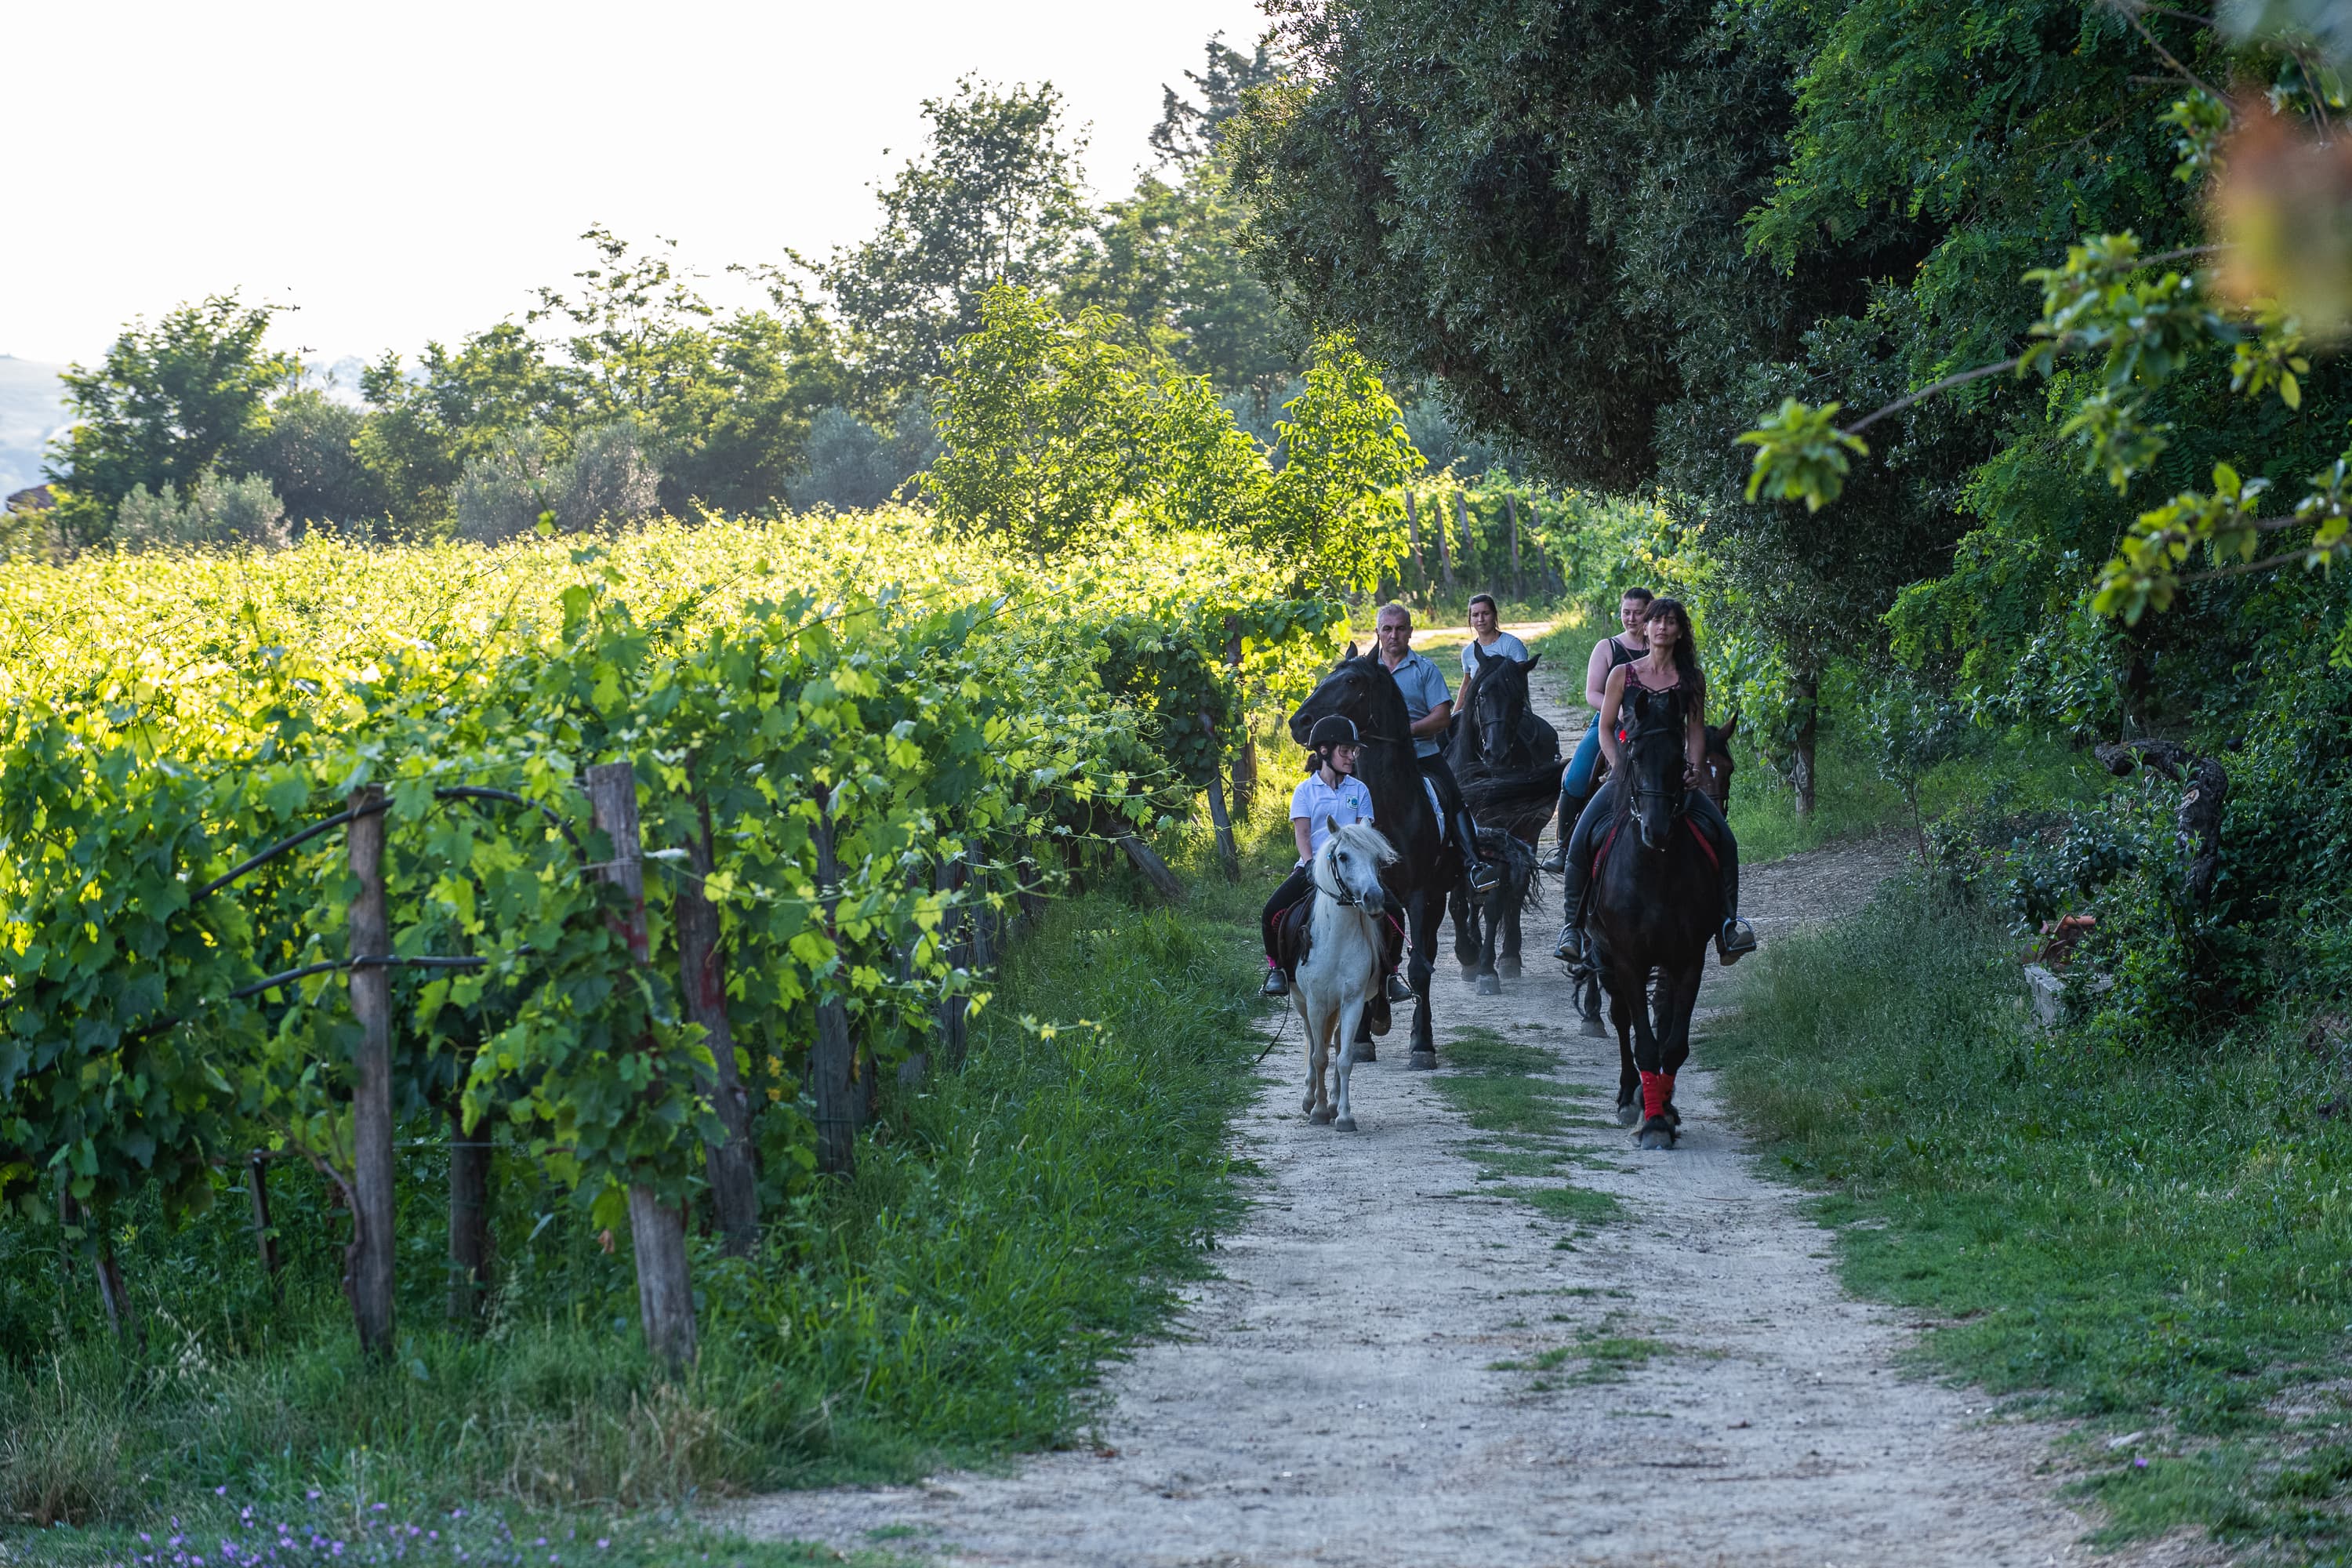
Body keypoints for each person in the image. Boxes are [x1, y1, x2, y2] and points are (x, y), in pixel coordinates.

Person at [1552, 597, 1757, 966]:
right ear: (1645, 629)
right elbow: (1606, 727)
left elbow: (1695, 731)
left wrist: (1693, 769)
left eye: (1671, 622)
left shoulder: (1691, 679)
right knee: (1581, 837)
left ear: (1680, 632)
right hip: (1629, 772)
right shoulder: (1623, 674)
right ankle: (1573, 927)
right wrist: (1618, 768)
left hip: (1672, 778)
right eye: (1656, 621)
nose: (1662, 627)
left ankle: (1729, 926)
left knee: (1724, 839)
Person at [1374, 601, 1499, 894]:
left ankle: (1475, 865)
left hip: (1421, 754)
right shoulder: (1366, 671)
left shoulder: (1425, 669)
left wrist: (1405, 732)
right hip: (1373, 759)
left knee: (1453, 797)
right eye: (1388, 629)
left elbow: (1442, 717)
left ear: (1411, 632)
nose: (1394, 635)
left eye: (1401, 629)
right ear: (1378, 632)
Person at [1261, 714, 1380, 997]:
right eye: (1346, 751)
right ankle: (1277, 969)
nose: (1352, 757)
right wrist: (1312, 865)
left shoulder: (1359, 790)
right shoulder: (1305, 791)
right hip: (1313, 867)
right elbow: (1303, 834)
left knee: (1394, 912)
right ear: (1324, 751)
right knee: (1271, 912)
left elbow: (1366, 830)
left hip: (1353, 869)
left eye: (1355, 751)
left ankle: (1392, 974)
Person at [1538, 586, 1652, 874]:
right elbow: (1591, 693)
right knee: (1576, 778)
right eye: (1627, 612)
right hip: (1609, 721)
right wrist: (1621, 711)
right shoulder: (1608, 647)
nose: (1631, 618)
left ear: (1649, 613)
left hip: (1652, 726)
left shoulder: (1659, 647)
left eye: (1638, 613)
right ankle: (1564, 849)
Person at [1457, 593, 1530, 684]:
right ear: (1470, 619)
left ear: (1494, 615)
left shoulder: (1512, 645)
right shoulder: (1468, 652)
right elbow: (1467, 682)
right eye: (1475, 615)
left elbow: (1521, 681)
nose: (1481, 619)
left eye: (1486, 613)